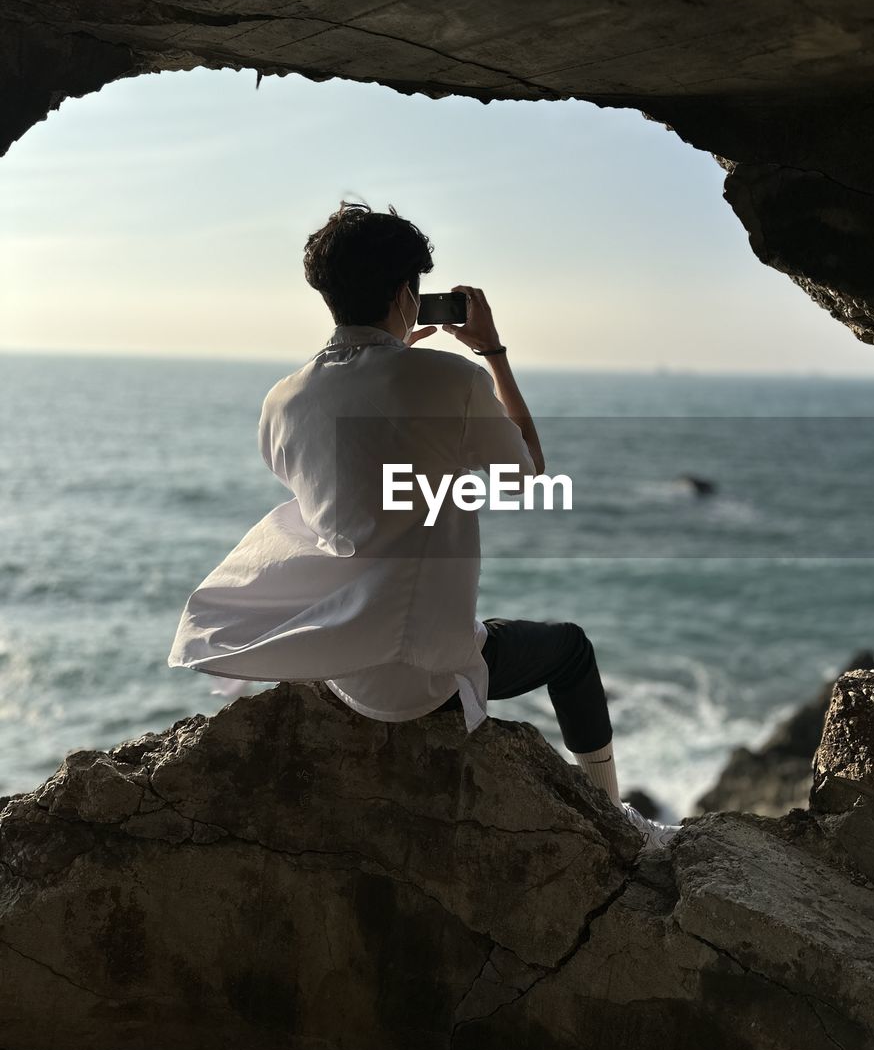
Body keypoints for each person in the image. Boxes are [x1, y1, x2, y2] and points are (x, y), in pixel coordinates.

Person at [167, 200, 680, 852]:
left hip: (342, 662)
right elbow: (529, 472)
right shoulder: (451, 380)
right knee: (571, 649)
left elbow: (349, 477)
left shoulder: (283, 399)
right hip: (420, 679)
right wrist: (492, 351)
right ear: (408, 294)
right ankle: (617, 819)